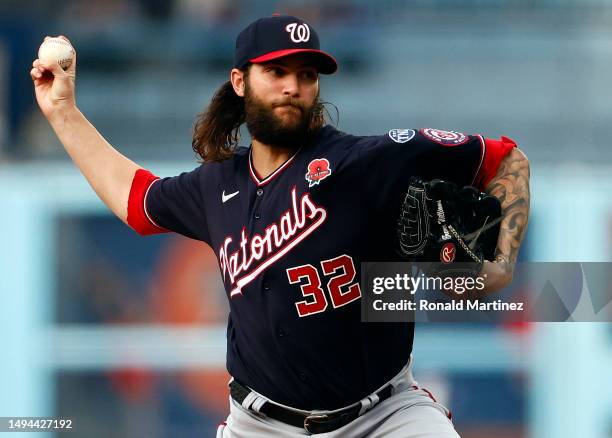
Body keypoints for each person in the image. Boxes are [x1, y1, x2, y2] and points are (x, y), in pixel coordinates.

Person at [31, 14, 530, 438]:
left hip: (384, 416)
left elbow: (506, 158)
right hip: (260, 425)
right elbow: (136, 201)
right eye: (277, 71)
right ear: (240, 81)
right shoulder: (215, 186)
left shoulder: (370, 162)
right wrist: (63, 111)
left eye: (307, 73)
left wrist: (499, 263)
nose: (294, 85)